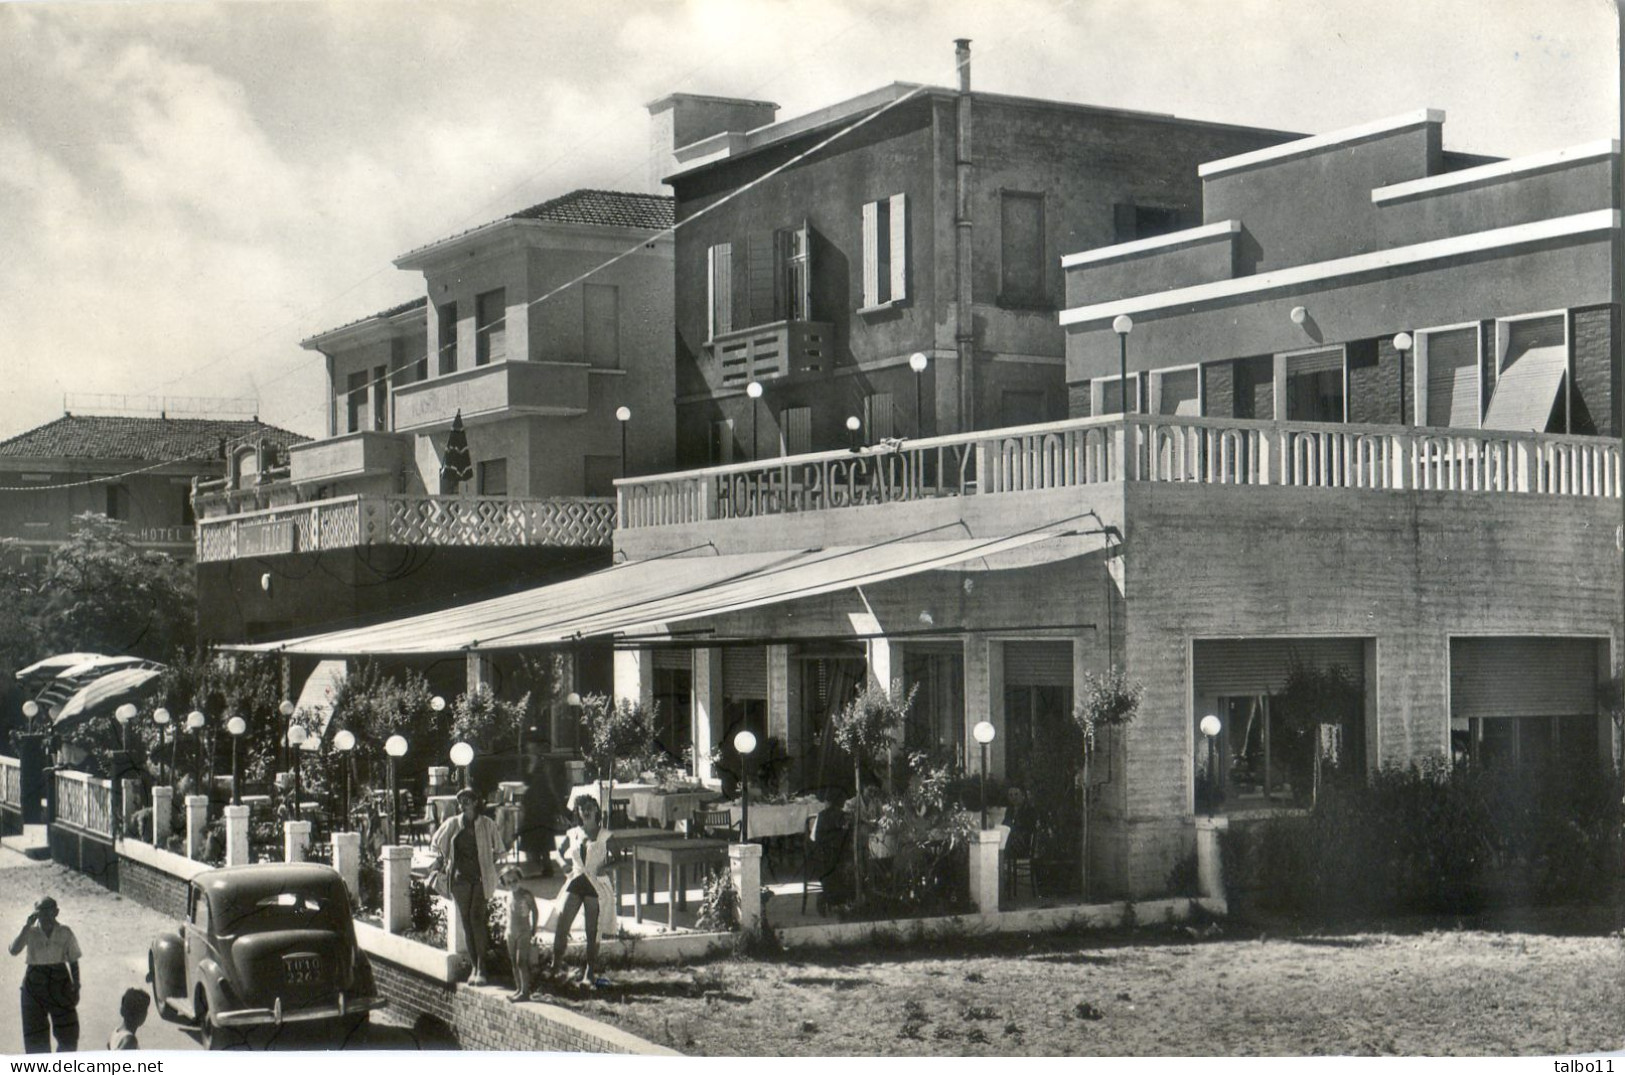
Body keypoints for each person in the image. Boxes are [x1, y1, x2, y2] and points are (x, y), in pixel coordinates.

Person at [430, 788, 503, 986]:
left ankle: (483, 967)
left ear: (476, 802)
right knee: (466, 922)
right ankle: (474, 966)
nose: (464, 804)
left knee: (476, 918)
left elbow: (500, 849)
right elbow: (436, 844)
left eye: (468, 800)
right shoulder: (453, 823)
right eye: (461, 801)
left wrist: (489, 864)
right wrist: (442, 861)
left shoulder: (487, 824)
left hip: (480, 878)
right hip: (459, 880)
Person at [547, 797, 616, 989]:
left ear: (596, 810)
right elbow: (559, 853)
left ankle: (590, 973)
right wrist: (563, 865)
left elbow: (619, 858)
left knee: (592, 931)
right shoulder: (573, 833)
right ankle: (555, 968)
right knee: (562, 924)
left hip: (596, 884)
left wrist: (607, 867)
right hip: (576, 880)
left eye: (590, 808)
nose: (586, 811)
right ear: (577, 812)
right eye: (582, 808)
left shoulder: (605, 835)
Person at [9, 897, 82, 1053]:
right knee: (35, 1038)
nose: (45, 916)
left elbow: (74, 961)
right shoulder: (30, 931)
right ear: (36, 914)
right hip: (34, 983)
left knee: (68, 1035)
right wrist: (26, 927)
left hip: (60, 981)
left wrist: (76, 987)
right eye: (41, 912)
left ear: (56, 912)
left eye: (49, 911)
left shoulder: (65, 932)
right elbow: (14, 950)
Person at [502, 868, 539, 1003]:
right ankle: (518, 989)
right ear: (505, 883)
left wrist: (534, 928)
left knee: (521, 962)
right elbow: (508, 914)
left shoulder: (526, 895)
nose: (513, 884)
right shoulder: (508, 896)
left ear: (520, 879)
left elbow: (535, 911)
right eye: (509, 882)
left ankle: (525, 991)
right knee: (513, 962)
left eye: (515, 880)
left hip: (524, 932)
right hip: (511, 932)